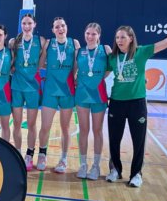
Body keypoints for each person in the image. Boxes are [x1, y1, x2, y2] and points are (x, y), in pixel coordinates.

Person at [106, 19, 167, 188]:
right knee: (114, 139)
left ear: (131, 38)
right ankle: (115, 170)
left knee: (138, 141)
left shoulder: (141, 52)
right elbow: (100, 74)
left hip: (137, 103)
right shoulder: (112, 58)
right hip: (116, 102)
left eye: (123, 37)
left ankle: (136, 174)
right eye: (117, 37)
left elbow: (166, 42)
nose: (119, 40)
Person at [37, 18, 80, 173]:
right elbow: (41, 64)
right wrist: (52, 68)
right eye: (57, 27)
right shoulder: (49, 44)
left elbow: (76, 66)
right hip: (50, 90)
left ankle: (63, 159)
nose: (60, 29)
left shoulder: (74, 43)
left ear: (66, 27)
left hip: (67, 90)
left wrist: (74, 77)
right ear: (53, 30)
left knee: (65, 127)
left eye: (62, 25)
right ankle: (42, 155)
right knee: (45, 126)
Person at [75, 23, 111, 180]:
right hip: (82, 95)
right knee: (83, 130)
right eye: (88, 33)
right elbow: (74, 70)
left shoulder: (105, 49)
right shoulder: (79, 51)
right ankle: (83, 164)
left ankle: (96, 166)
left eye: (93, 34)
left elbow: (110, 68)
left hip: (98, 95)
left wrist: (99, 78)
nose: (90, 37)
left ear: (99, 35)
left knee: (97, 130)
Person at [9, 14, 45, 170]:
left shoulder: (41, 41)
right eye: (24, 23)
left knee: (31, 124)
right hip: (17, 86)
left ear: (34, 24)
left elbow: (41, 64)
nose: (27, 26)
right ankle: (17, 153)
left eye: (29, 23)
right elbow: (11, 63)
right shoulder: (13, 42)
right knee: (16, 123)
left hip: (32, 87)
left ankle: (29, 154)